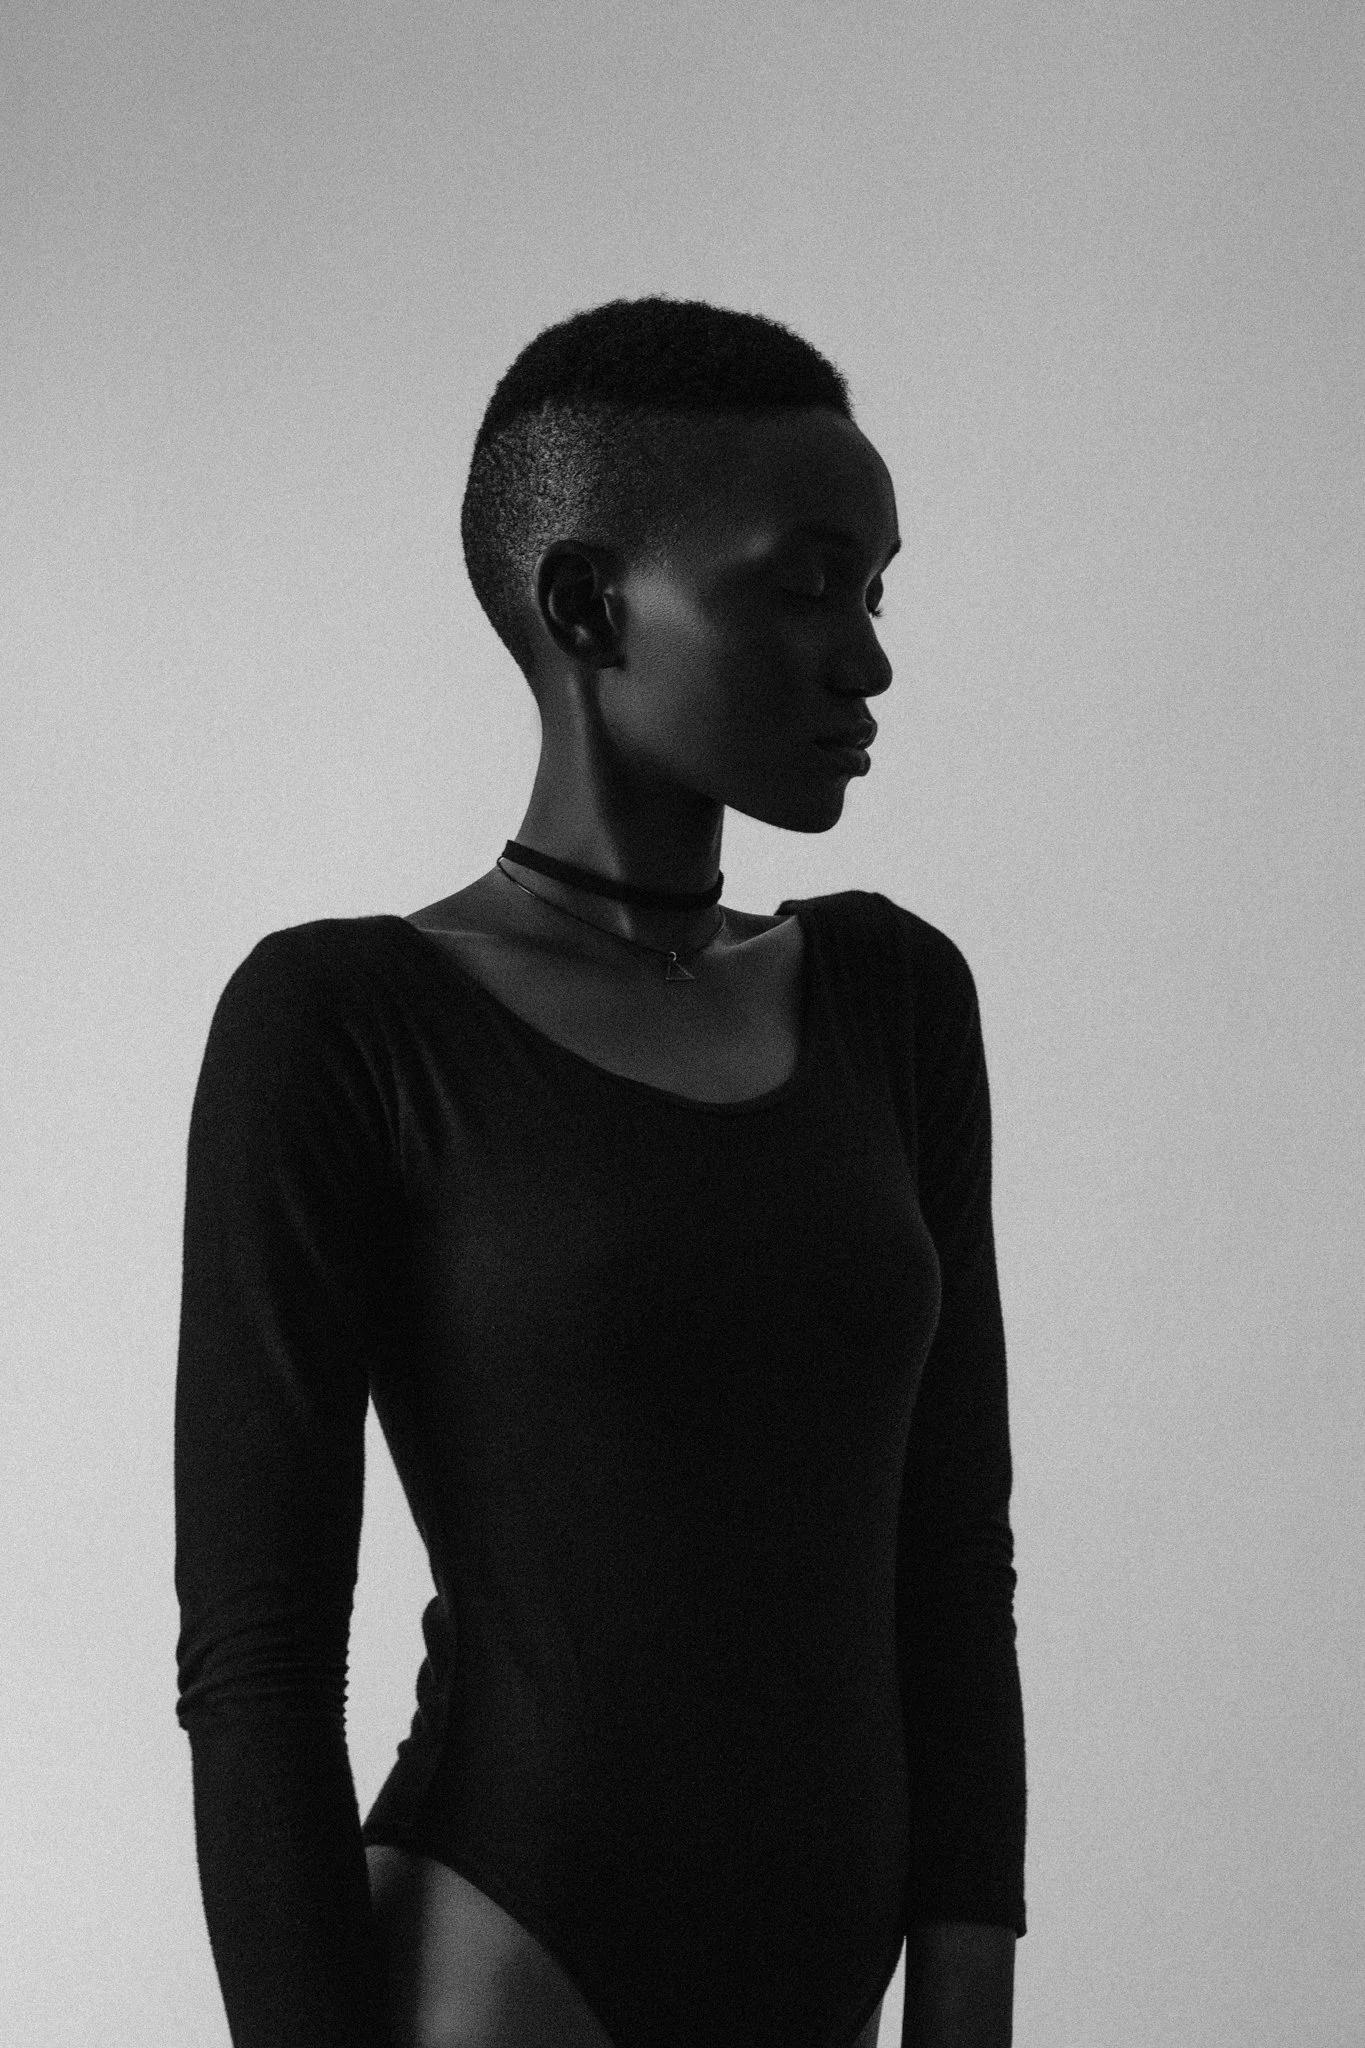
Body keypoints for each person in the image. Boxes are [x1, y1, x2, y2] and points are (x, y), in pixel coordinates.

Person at [174, 294, 1026, 2048]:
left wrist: (971, 1962)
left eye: (876, 591)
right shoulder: (343, 1025)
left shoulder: (894, 1002)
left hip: (838, 1983)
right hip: (512, 1963)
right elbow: (257, 1665)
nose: (866, 658)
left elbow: (953, 1547)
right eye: (802, 588)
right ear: (585, 607)